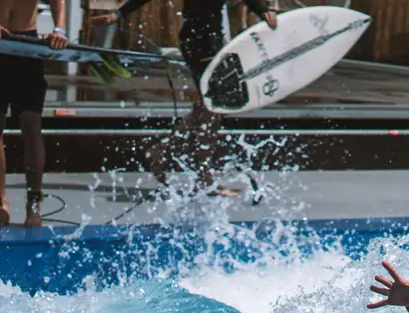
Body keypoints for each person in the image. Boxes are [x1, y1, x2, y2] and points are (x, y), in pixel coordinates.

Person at [89, 0, 280, 193]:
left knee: (212, 106)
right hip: (202, 42)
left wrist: (263, 10)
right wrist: (118, 15)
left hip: (209, 40)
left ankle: (172, 156)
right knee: (214, 106)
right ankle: (187, 165)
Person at [0, 0, 69, 226]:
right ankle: (0, 204)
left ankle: (33, 205)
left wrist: (59, 30)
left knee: (30, 121)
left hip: (26, 44)